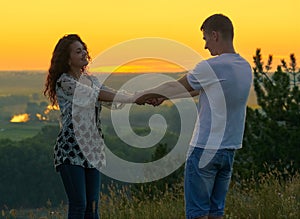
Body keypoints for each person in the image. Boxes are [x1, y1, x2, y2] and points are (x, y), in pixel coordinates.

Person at [135, 14, 252, 219]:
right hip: (228, 150)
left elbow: (176, 85)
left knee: (197, 214)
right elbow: (198, 90)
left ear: (215, 35)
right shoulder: (244, 67)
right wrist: (163, 98)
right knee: (216, 213)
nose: (206, 46)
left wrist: (145, 95)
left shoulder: (212, 66)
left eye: (206, 39)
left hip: (204, 149)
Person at [44, 34, 135, 219]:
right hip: (70, 151)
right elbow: (96, 95)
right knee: (79, 205)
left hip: (93, 150)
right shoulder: (65, 82)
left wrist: (137, 97)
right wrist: (133, 97)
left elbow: (109, 94)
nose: (84, 52)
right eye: (78, 51)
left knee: (92, 208)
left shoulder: (91, 80)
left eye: (84, 48)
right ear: (67, 59)